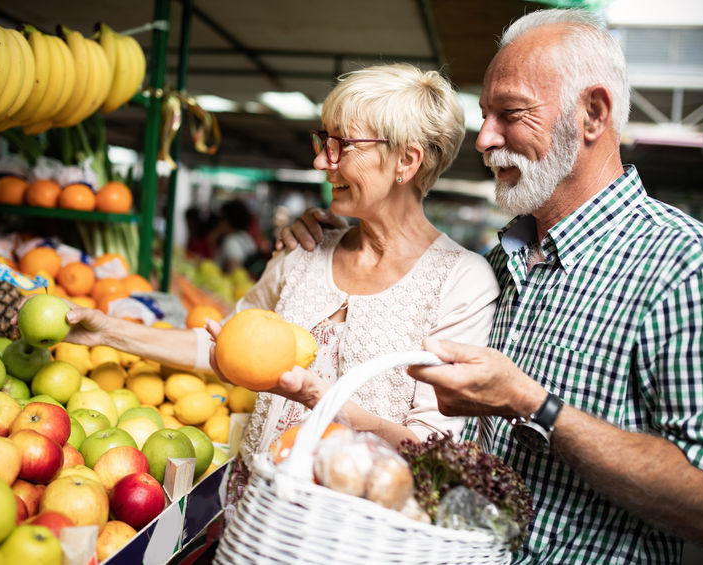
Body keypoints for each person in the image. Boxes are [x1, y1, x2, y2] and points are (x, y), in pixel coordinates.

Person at [279, 9, 703, 564]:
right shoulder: (499, 265)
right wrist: (329, 237)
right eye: (484, 116)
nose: (483, 140)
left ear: (593, 114)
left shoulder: (691, 265)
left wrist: (536, 406)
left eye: (509, 114)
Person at [62, 63, 499, 497]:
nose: (319, 160)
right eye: (323, 141)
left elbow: (432, 449)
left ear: (406, 160)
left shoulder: (461, 282)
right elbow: (221, 348)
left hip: (355, 536)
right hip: (255, 514)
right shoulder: (305, 251)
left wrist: (318, 397)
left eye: (341, 145)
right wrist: (107, 331)